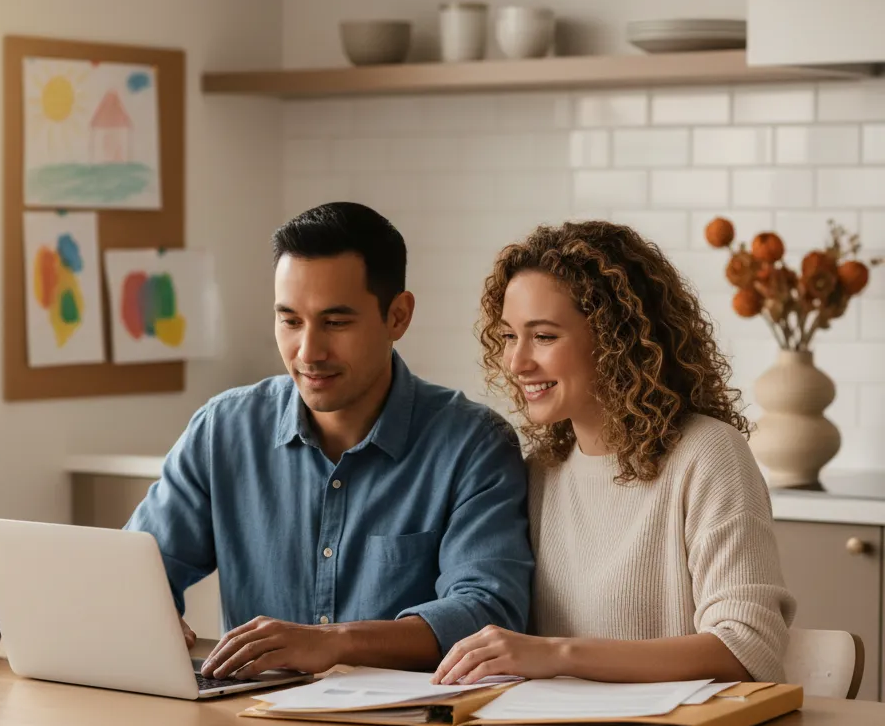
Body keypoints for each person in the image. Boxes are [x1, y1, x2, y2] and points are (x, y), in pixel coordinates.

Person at [126, 202, 533, 681]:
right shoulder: (223, 430)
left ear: (398, 317)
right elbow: (137, 572)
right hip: (249, 723)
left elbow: (489, 613)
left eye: (336, 323)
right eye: (290, 321)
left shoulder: (472, 445)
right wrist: (140, 613)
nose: (308, 352)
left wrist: (333, 644)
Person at [433, 220, 796, 687]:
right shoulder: (541, 472)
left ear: (614, 339)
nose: (516, 362)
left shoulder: (707, 455)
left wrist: (558, 653)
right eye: (508, 336)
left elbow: (746, 647)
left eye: (543, 336)